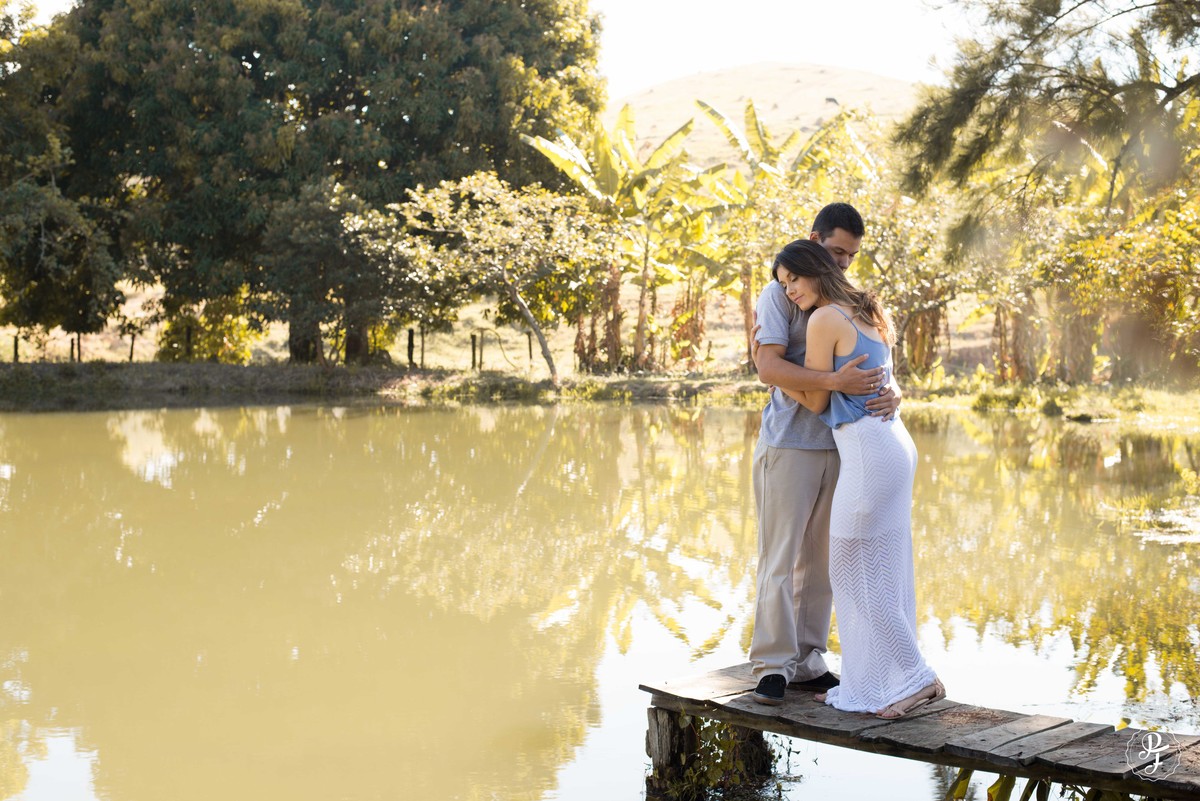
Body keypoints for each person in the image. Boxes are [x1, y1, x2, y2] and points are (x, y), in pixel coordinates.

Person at [769, 238, 943, 718]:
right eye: (782, 286)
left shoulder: (826, 319)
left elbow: (820, 401)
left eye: (794, 281)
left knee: (850, 571)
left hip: (866, 451)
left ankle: (918, 678)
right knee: (884, 570)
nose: (789, 293)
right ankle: (875, 683)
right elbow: (888, 380)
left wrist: (773, 374)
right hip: (892, 444)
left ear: (814, 271)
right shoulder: (869, 308)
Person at [748, 203, 900, 706]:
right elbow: (768, 366)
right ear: (815, 242)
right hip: (789, 443)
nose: (843, 264)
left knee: (821, 560)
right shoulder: (779, 293)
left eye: (851, 256)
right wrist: (832, 381)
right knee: (780, 555)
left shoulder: (848, 302)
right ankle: (772, 663)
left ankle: (810, 660)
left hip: (840, 444)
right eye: (835, 252)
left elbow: (876, 357)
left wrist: (895, 391)